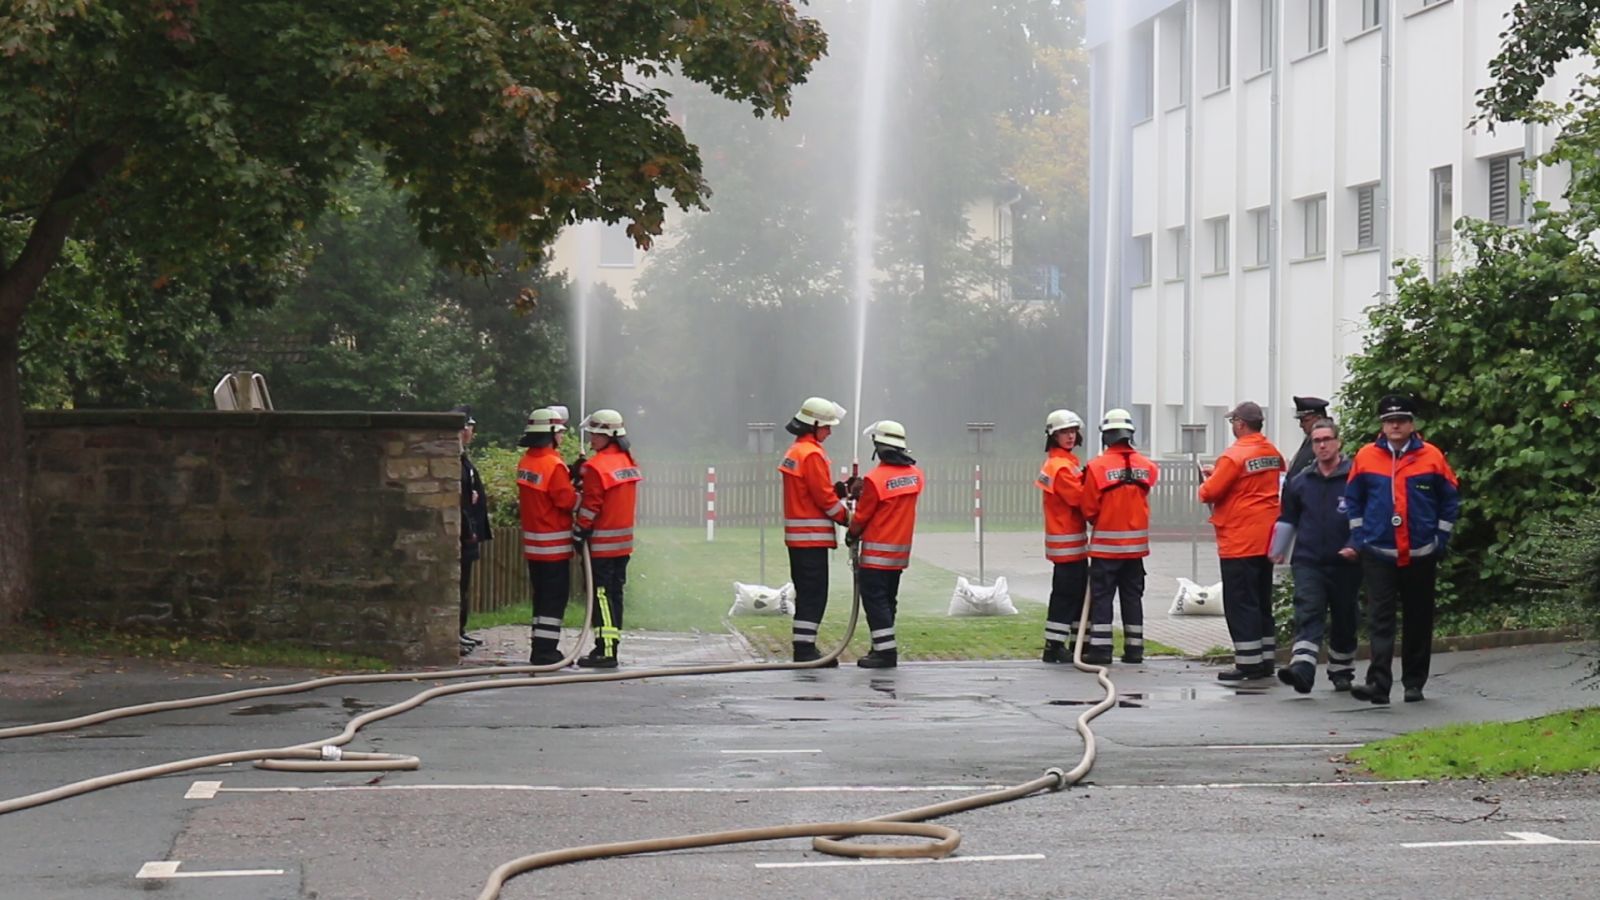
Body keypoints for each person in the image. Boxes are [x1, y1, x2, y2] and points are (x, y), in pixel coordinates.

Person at [1344, 394, 1460, 705]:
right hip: (1379, 553)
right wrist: (1360, 537)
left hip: (1421, 553)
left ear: (1412, 424)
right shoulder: (1366, 456)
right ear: (1382, 425)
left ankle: (1414, 683)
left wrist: (1440, 539)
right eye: (1389, 420)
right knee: (1380, 620)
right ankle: (1378, 685)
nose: (1395, 425)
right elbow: (1352, 499)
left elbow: (1450, 500)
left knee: (1418, 620)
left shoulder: (1432, 457)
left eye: (1402, 420)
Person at [1270, 418, 1360, 693]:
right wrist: (1278, 550)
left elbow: (1367, 516)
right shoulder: (1301, 482)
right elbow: (1288, 517)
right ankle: (1302, 670)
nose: (1321, 446)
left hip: (1346, 562)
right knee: (1308, 611)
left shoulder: (1355, 479)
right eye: (1316, 441)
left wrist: (1355, 544)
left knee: (1345, 616)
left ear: (1338, 442)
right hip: (1308, 560)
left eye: (1326, 440)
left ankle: (1341, 670)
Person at [1198, 401, 1285, 682]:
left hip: (1239, 538)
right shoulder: (1273, 452)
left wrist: (1206, 480)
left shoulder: (1233, 455)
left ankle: (1247, 663)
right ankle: (1266, 659)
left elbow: (1209, 493)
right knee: (1261, 600)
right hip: (1267, 537)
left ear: (1240, 424)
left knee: (1240, 602)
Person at [1079, 408, 1158, 666]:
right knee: (1132, 597)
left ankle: (1101, 650)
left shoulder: (1096, 467)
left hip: (1105, 549)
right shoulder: (1147, 467)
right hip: (1136, 551)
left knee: (1102, 597)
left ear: (1106, 437)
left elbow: (1089, 508)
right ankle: (1135, 649)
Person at [779, 396, 853, 665]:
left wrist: (836, 491)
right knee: (814, 595)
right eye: (827, 426)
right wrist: (849, 519)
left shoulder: (795, 451)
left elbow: (809, 493)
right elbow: (823, 499)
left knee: (806, 593)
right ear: (814, 424)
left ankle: (804, 646)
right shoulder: (811, 454)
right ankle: (805, 651)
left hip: (799, 539)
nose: (830, 431)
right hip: (812, 538)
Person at [844, 420, 924, 669]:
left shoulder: (874, 479)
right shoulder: (916, 477)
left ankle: (885, 653)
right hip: (899, 555)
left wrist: (851, 534)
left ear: (879, 447)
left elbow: (863, 517)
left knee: (875, 601)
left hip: (876, 554)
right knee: (889, 601)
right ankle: (881, 646)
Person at [573, 409, 642, 668]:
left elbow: (591, 506)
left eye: (594, 434)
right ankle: (610, 646)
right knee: (615, 594)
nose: (591, 439)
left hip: (601, 544)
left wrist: (580, 530)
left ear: (607, 436)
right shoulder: (627, 461)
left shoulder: (595, 467)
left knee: (601, 595)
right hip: (623, 544)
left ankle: (606, 651)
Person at [516, 407, 578, 666]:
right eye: (560, 432)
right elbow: (566, 500)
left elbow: (544, 492)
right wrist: (581, 491)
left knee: (541, 598)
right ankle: (546, 652)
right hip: (554, 545)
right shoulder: (553, 463)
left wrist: (571, 473)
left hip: (535, 545)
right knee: (554, 601)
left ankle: (538, 647)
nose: (562, 437)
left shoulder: (527, 461)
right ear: (551, 433)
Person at [1038, 409, 1089, 663]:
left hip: (1066, 542)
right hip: (1068, 542)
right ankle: (1055, 646)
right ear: (1052, 435)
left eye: (1072, 431)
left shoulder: (1060, 463)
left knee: (1070, 594)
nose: (1070, 436)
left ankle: (1067, 643)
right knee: (1067, 596)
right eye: (1064, 432)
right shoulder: (1061, 467)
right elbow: (1080, 500)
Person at [453, 405, 492, 655]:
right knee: (457, 584)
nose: (470, 432)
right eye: (467, 427)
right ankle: (454, 633)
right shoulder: (454, 459)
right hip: (463, 532)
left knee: (464, 585)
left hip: (470, 532)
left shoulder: (464, 459)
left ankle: (460, 630)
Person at [1286, 396, 1330, 481]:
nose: (1301, 425)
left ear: (1319, 418)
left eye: (1305, 420)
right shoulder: (1309, 438)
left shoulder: (1327, 442)